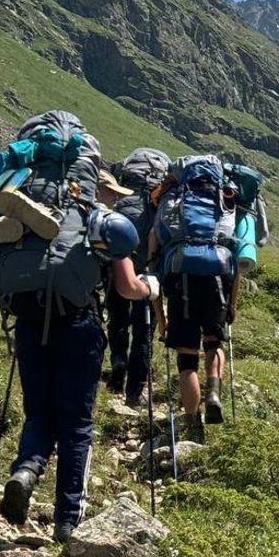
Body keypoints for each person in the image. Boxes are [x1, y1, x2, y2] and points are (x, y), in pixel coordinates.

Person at [0, 112, 161, 542]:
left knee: (39, 411)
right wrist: (151, 288)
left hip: (28, 323)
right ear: (91, 167)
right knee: (77, 424)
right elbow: (127, 287)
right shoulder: (98, 217)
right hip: (79, 325)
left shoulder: (16, 206)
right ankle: (67, 522)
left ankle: (26, 469)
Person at [148, 155, 252, 443]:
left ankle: (193, 424)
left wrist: (162, 320)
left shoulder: (170, 201)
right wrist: (232, 305)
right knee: (213, 344)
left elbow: (153, 269)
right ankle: (214, 393)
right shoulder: (226, 200)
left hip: (181, 279)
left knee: (186, 359)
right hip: (217, 277)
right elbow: (236, 260)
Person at [103, 149, 171, 407]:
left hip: (123, 237)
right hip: (150, 256)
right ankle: (135, 390)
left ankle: (117, 362)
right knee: (144, 328)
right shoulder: (161, 194)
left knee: (117, 312)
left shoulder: (124, 177)